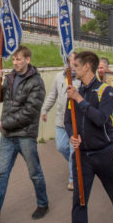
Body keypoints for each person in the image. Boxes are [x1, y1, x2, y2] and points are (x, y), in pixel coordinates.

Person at [0, 45, 48, 223]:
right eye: (13, 59)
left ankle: (43, 203)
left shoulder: (36, 82)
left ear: (27, 60)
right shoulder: (10, 77)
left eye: (19, 59)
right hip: (8, 137)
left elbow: (30, 112)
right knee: (1, 176)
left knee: (34, 173)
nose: (15, 63)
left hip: (25, 136)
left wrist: (5, 124)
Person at [66, 51, 113, 223]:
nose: (73, 69)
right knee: (79, 201)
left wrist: (79, 99)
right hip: (82, 156)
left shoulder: (106, 91)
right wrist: (72, 135)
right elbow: (67, 120)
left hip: (104, 154)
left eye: (76, 66)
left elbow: (101, 118)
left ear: (87, 66)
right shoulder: (75, 91)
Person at [41, 52, 78, 191]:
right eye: (67, 60)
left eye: (72, 60)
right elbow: (52, 95)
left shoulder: (81, 78)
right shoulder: (59, 77)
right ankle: (77, 165)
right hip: (61, 121)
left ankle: (73, 179)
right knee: (62, 147)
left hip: (75, 122)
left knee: (74, 151)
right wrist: (45, 109)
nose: (70, 63)